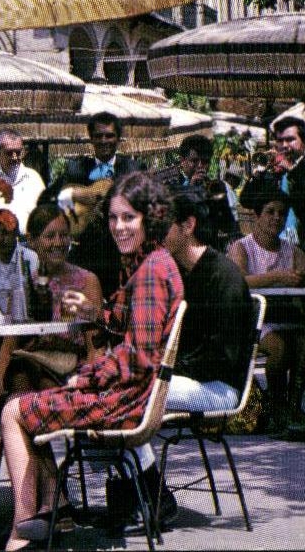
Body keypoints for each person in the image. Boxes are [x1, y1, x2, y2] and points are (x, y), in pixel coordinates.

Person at [0, 172, 183, 552]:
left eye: (129, 218)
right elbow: (129, 323)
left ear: (151, 217)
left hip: (124, 402)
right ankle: (43, 513)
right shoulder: (154, 262)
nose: (119, 227)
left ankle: (21, 533)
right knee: (21, 397)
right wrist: (99, 313)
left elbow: (139, 357)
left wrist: (85, 377)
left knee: (13, 411)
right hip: (132, 395)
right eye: (113, 218)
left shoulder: (149, 273)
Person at [124, 189, 255, 532]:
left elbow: (221, 357)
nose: (155, 234)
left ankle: (153, 496)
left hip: (219, 386)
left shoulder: (223, 276)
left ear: (188, 225)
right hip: (185, 380)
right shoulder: (178, 273)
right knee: (118, 389)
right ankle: (144, 491)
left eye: (163, 225)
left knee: (135, 394)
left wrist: (164, 372)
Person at [0, 207, 104, 400]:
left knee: (42, 385)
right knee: (20, 375)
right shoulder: (24, 287)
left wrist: (88, 388)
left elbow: (95, 347)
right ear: (32, 241)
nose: (58, 243)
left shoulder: (87, 282)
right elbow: (8, 348)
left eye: (63, 236)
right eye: (50, 236)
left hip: (71, 375)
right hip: (30, 372)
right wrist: (2, 394)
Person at [39, 111, 147, 300]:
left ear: (118, 138)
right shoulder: (76, 169)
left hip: (121, 258)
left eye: (109, 135)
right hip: (86, 256)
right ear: (91, 138)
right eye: (98, 136)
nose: (104, 141)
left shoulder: (133, 169)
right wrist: (74, 204)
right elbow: (45, 200)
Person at [228, 190, 305, 432]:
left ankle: (293, 406)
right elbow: (239, 281)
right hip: (252, 323)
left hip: (287, 318)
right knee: (279, 349)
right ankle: (277, 406)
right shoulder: (242, 248)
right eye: (270, 212)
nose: (276, 218)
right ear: (256, 215)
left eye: (282, 213)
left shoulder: (291, 250)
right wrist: (277, 277)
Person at [238, 116, 305, 250]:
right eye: (279, 140)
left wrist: (292, 169)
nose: (284, 145)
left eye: (290, 140)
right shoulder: (272, 172)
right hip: (274, 246)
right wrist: (258, 173)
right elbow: (246, 200)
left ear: (303, 141)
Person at [172, 134, 239, 251]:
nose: (200, 166)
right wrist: (191, 188)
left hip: (209, 251)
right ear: (182, 161)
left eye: (205, 161)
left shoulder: (217, 186)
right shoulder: (172, 185)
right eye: (194, 161)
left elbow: (229, 225)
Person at [0, 128, 46, 232]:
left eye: (18, 152)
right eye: (9, 153)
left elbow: (44, 214)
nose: (15, 157)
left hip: (28, 244)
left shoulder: (34, 179)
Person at [0, 208, 39, 322]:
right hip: (2, 330)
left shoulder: (29, 258)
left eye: (5, 233)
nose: (1, 239)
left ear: (15, 233)